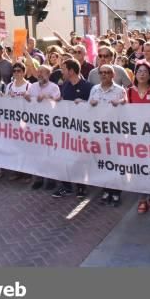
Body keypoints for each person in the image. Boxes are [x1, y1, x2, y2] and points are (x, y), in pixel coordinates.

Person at [126, 62, 150, 213]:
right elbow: (125, 111)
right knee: (138, 168)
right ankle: (142, 198)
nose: (142, 74)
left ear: (149, 75)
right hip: (135, 137)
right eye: (139, 71)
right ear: (135, 74)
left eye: (145, 71)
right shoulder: (129, 92)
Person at [88, 64, 127, 206]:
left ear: (113, 75)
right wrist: (88, 103)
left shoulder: (120, 90)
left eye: (107, 72)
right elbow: (87, 111)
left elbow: (126, 110)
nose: (104, 75)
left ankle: (116, 192)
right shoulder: (94, 89)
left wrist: (122, 102)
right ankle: (106, 190)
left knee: (115, 162)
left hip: (114, 133)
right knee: (103, 162)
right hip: (99, 133)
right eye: (101, 72)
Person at [52, 60, 92, 197]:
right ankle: (66, 186)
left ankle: (81, 186)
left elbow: (94, 108)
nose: (61, 72)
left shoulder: (88, 87)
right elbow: (63, 100)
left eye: (63, 69)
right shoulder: (65, 85)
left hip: (81, 130)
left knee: (80, 159)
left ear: (71, 71)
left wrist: (84, 103)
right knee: (64, 157)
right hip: (66, 129)